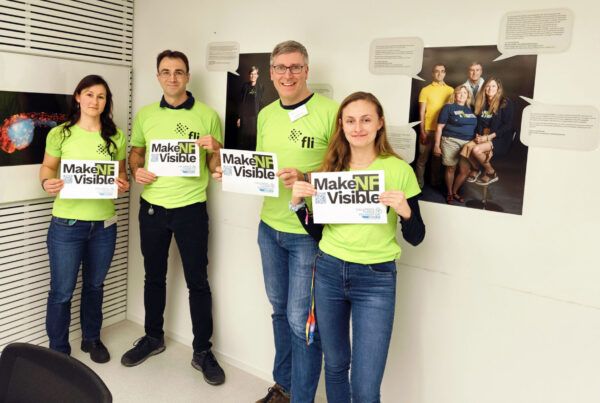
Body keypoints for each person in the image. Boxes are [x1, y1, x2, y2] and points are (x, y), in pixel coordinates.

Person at [213, 40, 338, 402]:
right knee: (280, 312)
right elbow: (262, 169)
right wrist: (232, 174)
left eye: (295, 67)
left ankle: (302, 397)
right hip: (269, 229)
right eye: (280, 68)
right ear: (270, 73)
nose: (288, 74)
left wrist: (307, 176)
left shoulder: (330, 112)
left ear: (306, 71)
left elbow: (342, 170)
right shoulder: (266, 114)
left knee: (302, 322)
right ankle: (283, 388)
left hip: (306, 232)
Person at [290, 92, 425, 403]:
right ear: (341, 125)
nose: (358, 127)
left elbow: (417, 236)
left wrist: (406, 211)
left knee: (365, 387)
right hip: (328, 272)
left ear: (379, 123)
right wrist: (297, 205)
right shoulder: (332, 168)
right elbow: (317, 232)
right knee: (335, 366)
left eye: (366, 119)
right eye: (350, 120)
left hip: (376, 279)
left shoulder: (398, 170)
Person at [121, 50, 225, 385]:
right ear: (157, 77)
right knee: (154, 276)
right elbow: (136, 153)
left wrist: (218, 153)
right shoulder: (146, 114)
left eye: (178, 72)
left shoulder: (208, 115)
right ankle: (153, 337)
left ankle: (202, 351)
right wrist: (136, 171)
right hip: (152, 208)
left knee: (198, 281)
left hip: (191, 208)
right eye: (165, 72)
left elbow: (214, 165)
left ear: (187, 76)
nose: (172, 77)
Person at [40, 74, 129, 362]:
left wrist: (123, 183)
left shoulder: (116, 135)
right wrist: (46, 183)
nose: (95, 101)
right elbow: (47, 168)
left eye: (101, 96)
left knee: (95, 286)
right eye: (89, 94)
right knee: (62, 292)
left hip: (104, 225)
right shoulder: (60, 133)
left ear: (106, 102)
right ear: (78, 97)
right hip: (66, 225)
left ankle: (91, 339)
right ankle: (59, 352)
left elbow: (122, 174)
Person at [464, 77, 514, 185]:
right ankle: (477, 169)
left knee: (476, 150)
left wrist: (488, 138)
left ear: (498, 88)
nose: (490, 89)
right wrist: (478, 135)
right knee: (465, 147)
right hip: (484, 136)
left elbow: (508, 126)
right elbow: (478, 122)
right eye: (487, 86)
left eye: (493, 86)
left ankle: (491, 173)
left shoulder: (505, 103)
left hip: (499, 138)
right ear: (484, 88)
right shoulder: (482, 102)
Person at [432, 85, 477, 204]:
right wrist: (436, 145)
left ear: (468, 96)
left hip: (467, 143)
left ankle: (455, 191)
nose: (462, 95)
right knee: (451, 167)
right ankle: (449, 193)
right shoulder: (448, 107)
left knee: (465, 170)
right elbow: (439, 127)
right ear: (455, 95)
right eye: (459, 93)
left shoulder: (471, 109)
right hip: (450, 140)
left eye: (464, 93)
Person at [415, 64, 454, 188]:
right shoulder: (425, 90)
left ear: (445, 73)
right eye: (437, 71)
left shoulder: (451, 91)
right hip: (427, 129)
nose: (439, 74)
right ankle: (418, 185)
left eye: (442, 71)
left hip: (443, 131)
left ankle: (434, 182)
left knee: (437, 160)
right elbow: (421, 112)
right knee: (422, 160)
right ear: (433, 73)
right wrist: (422, 132)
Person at [236, 66, 264, 150]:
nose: (253, 76)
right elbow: (241, 102)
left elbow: (261, 103)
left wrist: (261, 118)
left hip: (255, 117)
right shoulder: (245, 86)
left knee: (254, 139)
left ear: (257, 75)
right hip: (245, 117)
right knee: (243, 139)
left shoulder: (260, 87)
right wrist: (239, 118)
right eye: (251, 74)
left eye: (255, 74)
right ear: (249, 75)